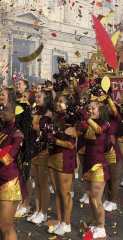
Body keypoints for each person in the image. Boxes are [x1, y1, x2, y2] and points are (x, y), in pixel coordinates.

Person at [0, 100, 31, 240]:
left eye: (6, 109)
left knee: (6, 226)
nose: (2, 111)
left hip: (9, 183)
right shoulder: (2, 131)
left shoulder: (18, 134)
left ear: (15, 115)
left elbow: (8, 158)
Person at [78, 98, 111, 238]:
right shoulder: (88, 124)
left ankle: (101, 227)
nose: (90, 110)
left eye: (93, 108)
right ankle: (94, 224)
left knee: (97, 199)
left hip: (98, 165)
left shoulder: (106, 124)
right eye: (89, 108)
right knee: (91, 198)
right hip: (87, 164)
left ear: (100, 110)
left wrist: (86, 118)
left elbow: (98, 130)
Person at [46, 92, 77, 235]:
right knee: (58, 192)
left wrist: (53, 139)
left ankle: (67, 222)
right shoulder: (56, 117)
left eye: (61, 101)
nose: (57, 103)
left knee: (65, 193)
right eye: (56, 101)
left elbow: (71, 144)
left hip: (65, 159)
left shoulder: (70, 119)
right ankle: (60, 220)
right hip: (52, 157)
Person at [27, 89, 53, 224]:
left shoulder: (49, 113)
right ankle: (37, 210)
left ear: (46, 99)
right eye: (36, 97)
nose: (37, 99)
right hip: (34, 148)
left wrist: (29, 121)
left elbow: (41, 127)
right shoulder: (35, 111)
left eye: (40, 97)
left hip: (43, 150)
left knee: (43, 183)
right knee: (36, 182)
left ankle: (43, 212)